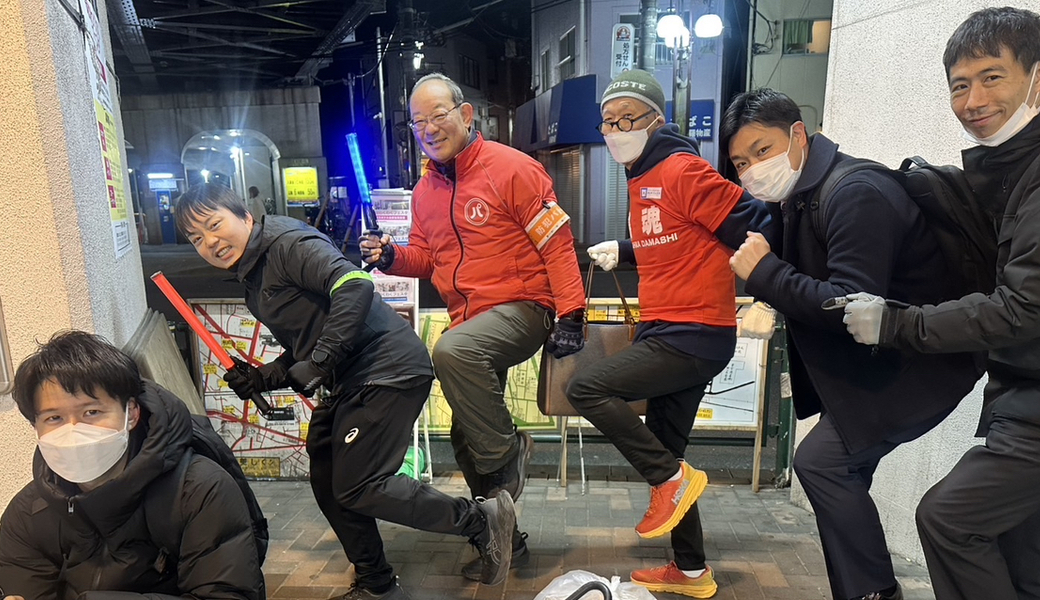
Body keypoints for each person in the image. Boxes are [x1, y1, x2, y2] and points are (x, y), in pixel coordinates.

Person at [173, 184, 516, 599]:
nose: (210, 242)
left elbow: (353, 285)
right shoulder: (253, 273)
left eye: (214, 225)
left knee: (359, 484)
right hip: (351, 378)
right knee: (329, 479)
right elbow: (307, 341)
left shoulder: (288, 243)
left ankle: (480, 519)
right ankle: (376, 583)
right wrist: (263, 377)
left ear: (244, 216)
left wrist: (320, 362)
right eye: (196, 238)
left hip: (387, 368)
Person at [720, 88, 983, 600]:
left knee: (823, 463)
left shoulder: (854, 191)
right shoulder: (800, 195)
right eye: (740, 161)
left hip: (921, 362)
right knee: (841, 474)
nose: (752, 168)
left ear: (798, 134)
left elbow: (851, 305)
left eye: (761, 150)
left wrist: (766, 275)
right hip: (884, 365)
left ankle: (874, 591)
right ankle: (860, 588)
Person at [841, 8, 1040, 600]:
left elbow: (1023, 306)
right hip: (1018, 397)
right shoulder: (1009, 172)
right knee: (1022, 561)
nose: (973, 98)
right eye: (959, 84)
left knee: (949, 518)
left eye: (992, 77)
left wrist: (899, 322)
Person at [360, 72, 586, 578]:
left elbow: (556, 241)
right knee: (464, 435)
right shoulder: (425, 191)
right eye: (418, 121)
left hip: (525, 307)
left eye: (438, 115)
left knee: (452, 353)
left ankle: (509, 456)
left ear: (466, 114)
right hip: (471, 320)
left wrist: (571, 312)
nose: (428, 127)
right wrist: (391, 255)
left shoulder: (513, 168)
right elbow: (426, 256)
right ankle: (499, 533)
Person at [568, 69, 775, 599]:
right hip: (669, 327)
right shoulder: (640, 177)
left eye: (628, 118)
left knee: (588, 388)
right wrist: (627, 250)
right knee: (665, 450)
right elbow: (681, 241)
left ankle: (671, 482)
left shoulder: (679, 167)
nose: (616, 129)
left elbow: (755, 223)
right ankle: (691, 571)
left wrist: (772, 288)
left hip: (692, 331)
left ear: (656, 119)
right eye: (608, 121)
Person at [0, 331, 265, 599]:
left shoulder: (198, 491)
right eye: (54, 418)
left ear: (132, 413)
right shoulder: (29, 512)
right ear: (35, 426)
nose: (74, 431)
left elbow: (227, 594)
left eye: (91, 412)